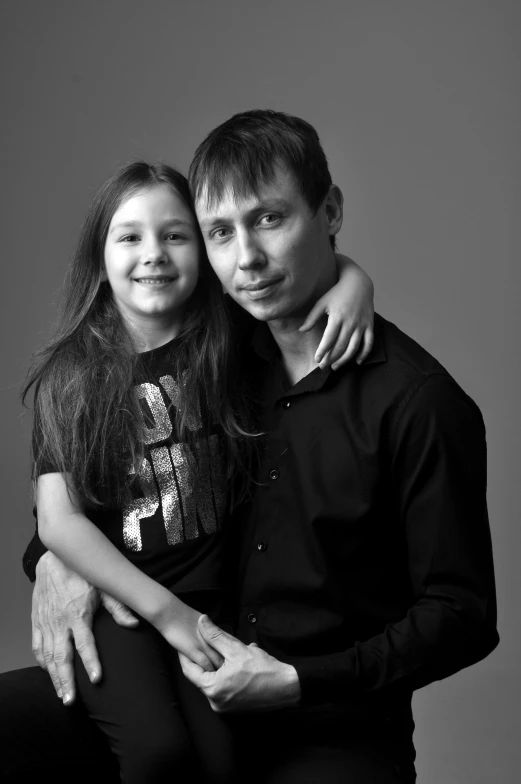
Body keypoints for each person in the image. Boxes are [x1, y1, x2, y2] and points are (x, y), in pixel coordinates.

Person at [0, 158, 375, 783]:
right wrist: (172, 618)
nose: (155, 254)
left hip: (217, 604)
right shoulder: (72, 376)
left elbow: (305, 289)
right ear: (100, 257)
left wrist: (355, 282)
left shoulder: (226, 337)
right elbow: (59, 524)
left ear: (203, 252)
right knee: (157, 754)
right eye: (130, 237)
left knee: (228, 761)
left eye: (176, 235)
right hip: (124, 608)